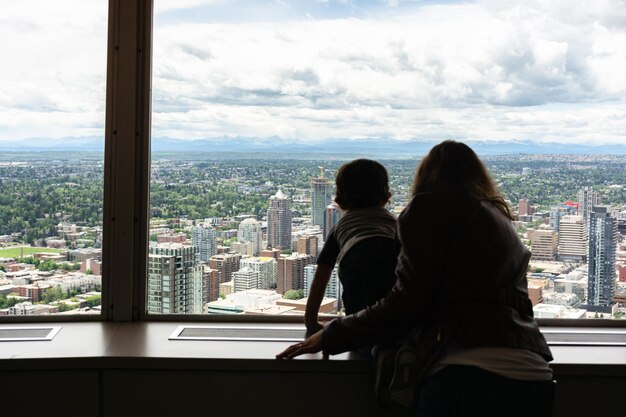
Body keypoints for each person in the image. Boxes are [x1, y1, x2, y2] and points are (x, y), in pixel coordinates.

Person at [278, 141, 554, 417]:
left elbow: (406, 301)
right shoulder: (500, 218)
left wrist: (333, 333)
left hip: (464, 374)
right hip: (534, 376)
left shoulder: (427, 208)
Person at [305, 159, 397, 336]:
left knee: (358, 320)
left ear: (340, 199)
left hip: (357, 259)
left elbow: (321, 275)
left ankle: (372, 349)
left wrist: (310, 321)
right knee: (392, 312)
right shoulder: (394, 221)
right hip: (393, 256)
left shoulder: (342, 225)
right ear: (386, 197)